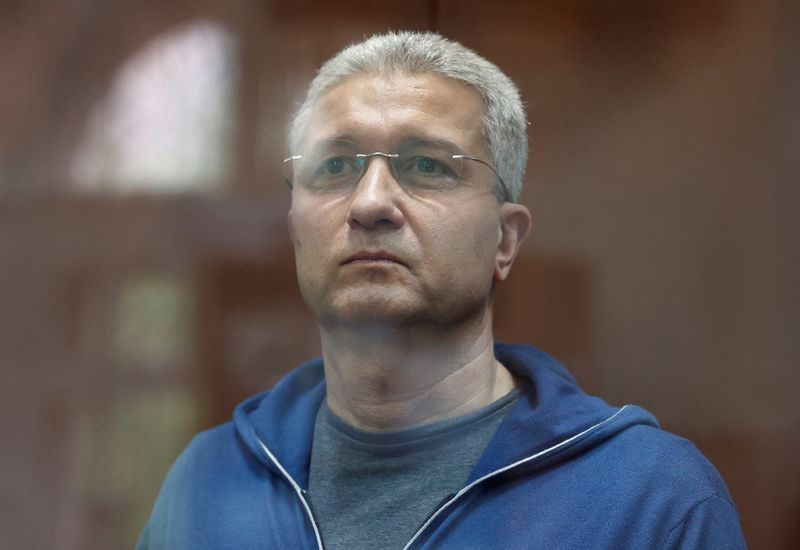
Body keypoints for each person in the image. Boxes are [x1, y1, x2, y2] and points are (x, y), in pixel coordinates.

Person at [138, 31, 746, 549]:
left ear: (504, 242)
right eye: (336, 167)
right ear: (296, 227)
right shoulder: (208, 481)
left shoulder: (649, 501)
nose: (371, 202)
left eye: (427, 165)